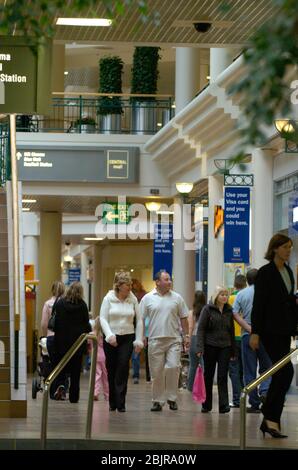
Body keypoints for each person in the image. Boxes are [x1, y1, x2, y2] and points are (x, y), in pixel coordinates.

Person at [250, 233, 298, 438]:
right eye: (286, 247)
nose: (289, 250)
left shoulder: (288, 271)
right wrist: (255, 333)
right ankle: (270, 417)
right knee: (285, 372)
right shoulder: (265, 272)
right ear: (275, 248)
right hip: (269, 330)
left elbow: (289, 302)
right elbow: (259, 304)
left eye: (290, 247)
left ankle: (270, 420)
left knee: (282, 373)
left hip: (285, 330)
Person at [140, 270, 190, 412]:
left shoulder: (177, 298)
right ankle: (157, 400)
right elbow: (141, 319)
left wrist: (186, 336)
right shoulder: (147, 298)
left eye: (170, 279)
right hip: (155, 340)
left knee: (173, 367)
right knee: (156, 372)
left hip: (174, 339)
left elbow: (184, 318)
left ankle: (172, 398)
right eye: (166, 279)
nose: (169, 282)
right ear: (157, 282)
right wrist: (141, 336)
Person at [100, 271, 143, 412]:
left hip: (127, 337)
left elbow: (140, 320)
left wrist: (138, 339)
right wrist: (109, 335)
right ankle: (112, 401)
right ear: (119, 286)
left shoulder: (133, 299)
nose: (130, 287)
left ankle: (121, 402)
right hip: (111, 337)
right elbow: (103, 318)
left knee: (123, 366)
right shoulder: (108, 298)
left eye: (130, 284)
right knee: (111, 368)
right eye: (127, 285)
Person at [233, 269, 271, 413]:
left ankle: (254, 403)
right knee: (267, 367)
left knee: (249, 370)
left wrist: (248, 328)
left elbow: (235, 313)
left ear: (247, 280)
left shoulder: (241, 294)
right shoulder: (267, 292)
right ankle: (265, 391)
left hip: (247, 336)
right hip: (265, 336)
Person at [197, 286, 235, 414]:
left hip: (225, 346)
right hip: (210, 345)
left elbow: (232, 331)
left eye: (226, 294)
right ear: (216, 296)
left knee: (222, 376)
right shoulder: (207, 309)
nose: (225, 297)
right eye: (222, 294)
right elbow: (201, 329)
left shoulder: (229, 310)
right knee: (208, 375)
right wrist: (200, 347)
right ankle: (206, 405)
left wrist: (233, 350)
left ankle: (224, 405)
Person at [53, 281, 91, 402]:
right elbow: (87, 326)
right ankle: (74, 397)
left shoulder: (60, 303)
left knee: (61, 367)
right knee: (75, 372)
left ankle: (60, 386)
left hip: (61, 343)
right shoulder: (83, 306)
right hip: (77, 345)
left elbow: (54, 322)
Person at [40, 280, 65, 398]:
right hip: (64, 339)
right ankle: (61, 386)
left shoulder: (47, 304)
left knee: (50, 362)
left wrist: (44, 336)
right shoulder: (66, 303)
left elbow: (44, 324)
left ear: (52, 290)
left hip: (50, 338)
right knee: (62, 363)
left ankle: (50, 387)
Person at [228, 274, 246, 408]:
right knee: (245, 370)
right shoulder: (248, 296)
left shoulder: (230, 298)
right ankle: (244, 399)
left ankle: (236, 400)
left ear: (234, 284)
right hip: (246, 337)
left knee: (234, 370)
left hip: (233, 339)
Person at [187, 290, 206, 392]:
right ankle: (203, 387)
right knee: (204, 364)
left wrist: (188, 340)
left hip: (194, 338)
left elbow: (190, 327)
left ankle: (190, 387)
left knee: (193, 365)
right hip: (204, 339)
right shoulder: (206, 311)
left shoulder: (192, 312)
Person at [131, 279, 147, 384]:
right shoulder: (129, 298)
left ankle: (135, 375)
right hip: (130, 328)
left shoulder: (141, 298)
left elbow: (141, 317)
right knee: (134, 354)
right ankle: (134, 375)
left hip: (136, 328)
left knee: (136, 353)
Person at [92, 316, 109, 401]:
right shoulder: (104, 334)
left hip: (95, 356)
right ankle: (107, 395)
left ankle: (95, 392)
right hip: (104, 356)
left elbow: (89, 343)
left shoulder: (93, 333)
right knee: (106, 376)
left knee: (97, 375)